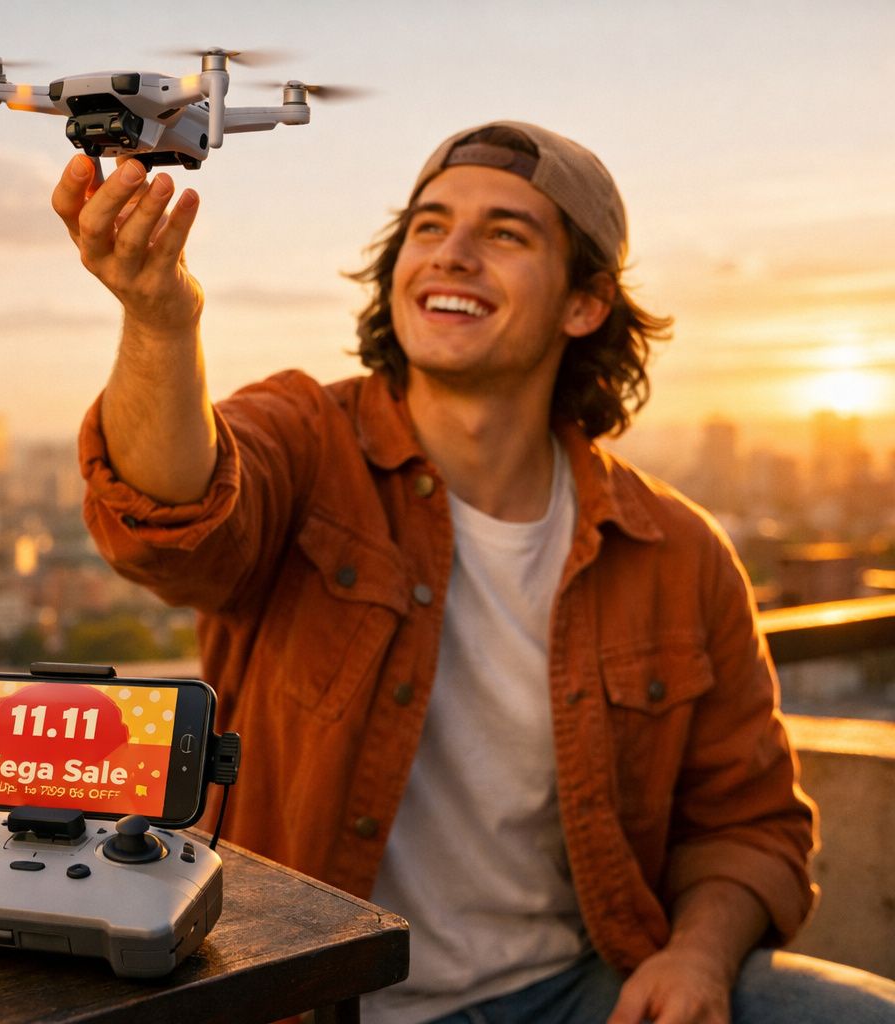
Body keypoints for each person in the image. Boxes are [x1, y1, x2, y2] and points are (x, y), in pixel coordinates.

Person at [52, 121, 895, 1023]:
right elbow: (167, 517)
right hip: (316, 1000)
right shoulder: (308, 442)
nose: (451, 254)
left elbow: (748, 826)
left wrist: (695, 957)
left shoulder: (678, 554)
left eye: (505, 233)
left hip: (578, 991)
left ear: (585, 305)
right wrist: (159, 321)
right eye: (429, 226)